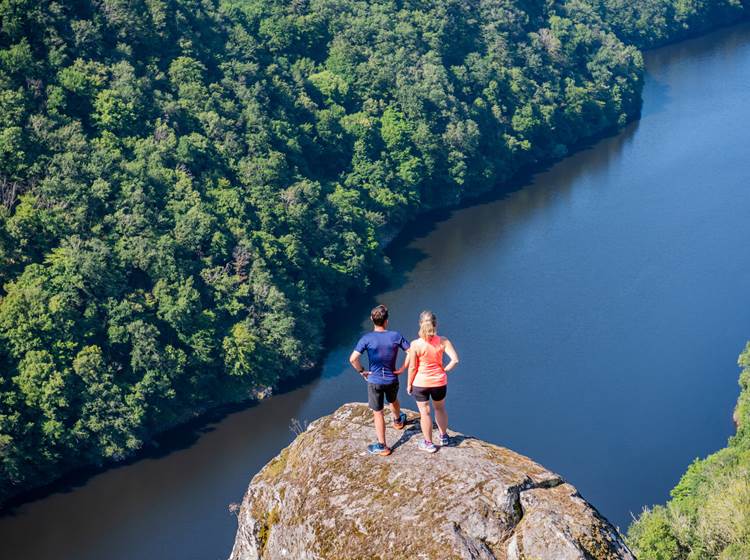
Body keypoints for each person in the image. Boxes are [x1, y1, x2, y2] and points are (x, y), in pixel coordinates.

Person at [349, 304, 410, 456]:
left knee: (378, 413)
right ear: (386, 321)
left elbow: (353, 359)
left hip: (374, 381)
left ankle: (382, 446)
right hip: (391, 379)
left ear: (372, 320)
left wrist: (362, 371)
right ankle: (398, 421)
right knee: (393, 400)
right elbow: (411, 351)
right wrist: (403, 368)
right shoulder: (395, 336)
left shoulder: (367, 338)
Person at [407, 310, 459, 453]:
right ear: (435, 324)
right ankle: (443, 436)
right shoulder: (443, 341)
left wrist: (409, 384)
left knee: (425, 413)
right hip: (439, 382)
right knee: (440, 408)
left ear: (420, 324)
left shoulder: (415, 344)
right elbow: (455, 360)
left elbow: (412, 367)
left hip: (420, 383)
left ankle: (428, 443)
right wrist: (445, 369)